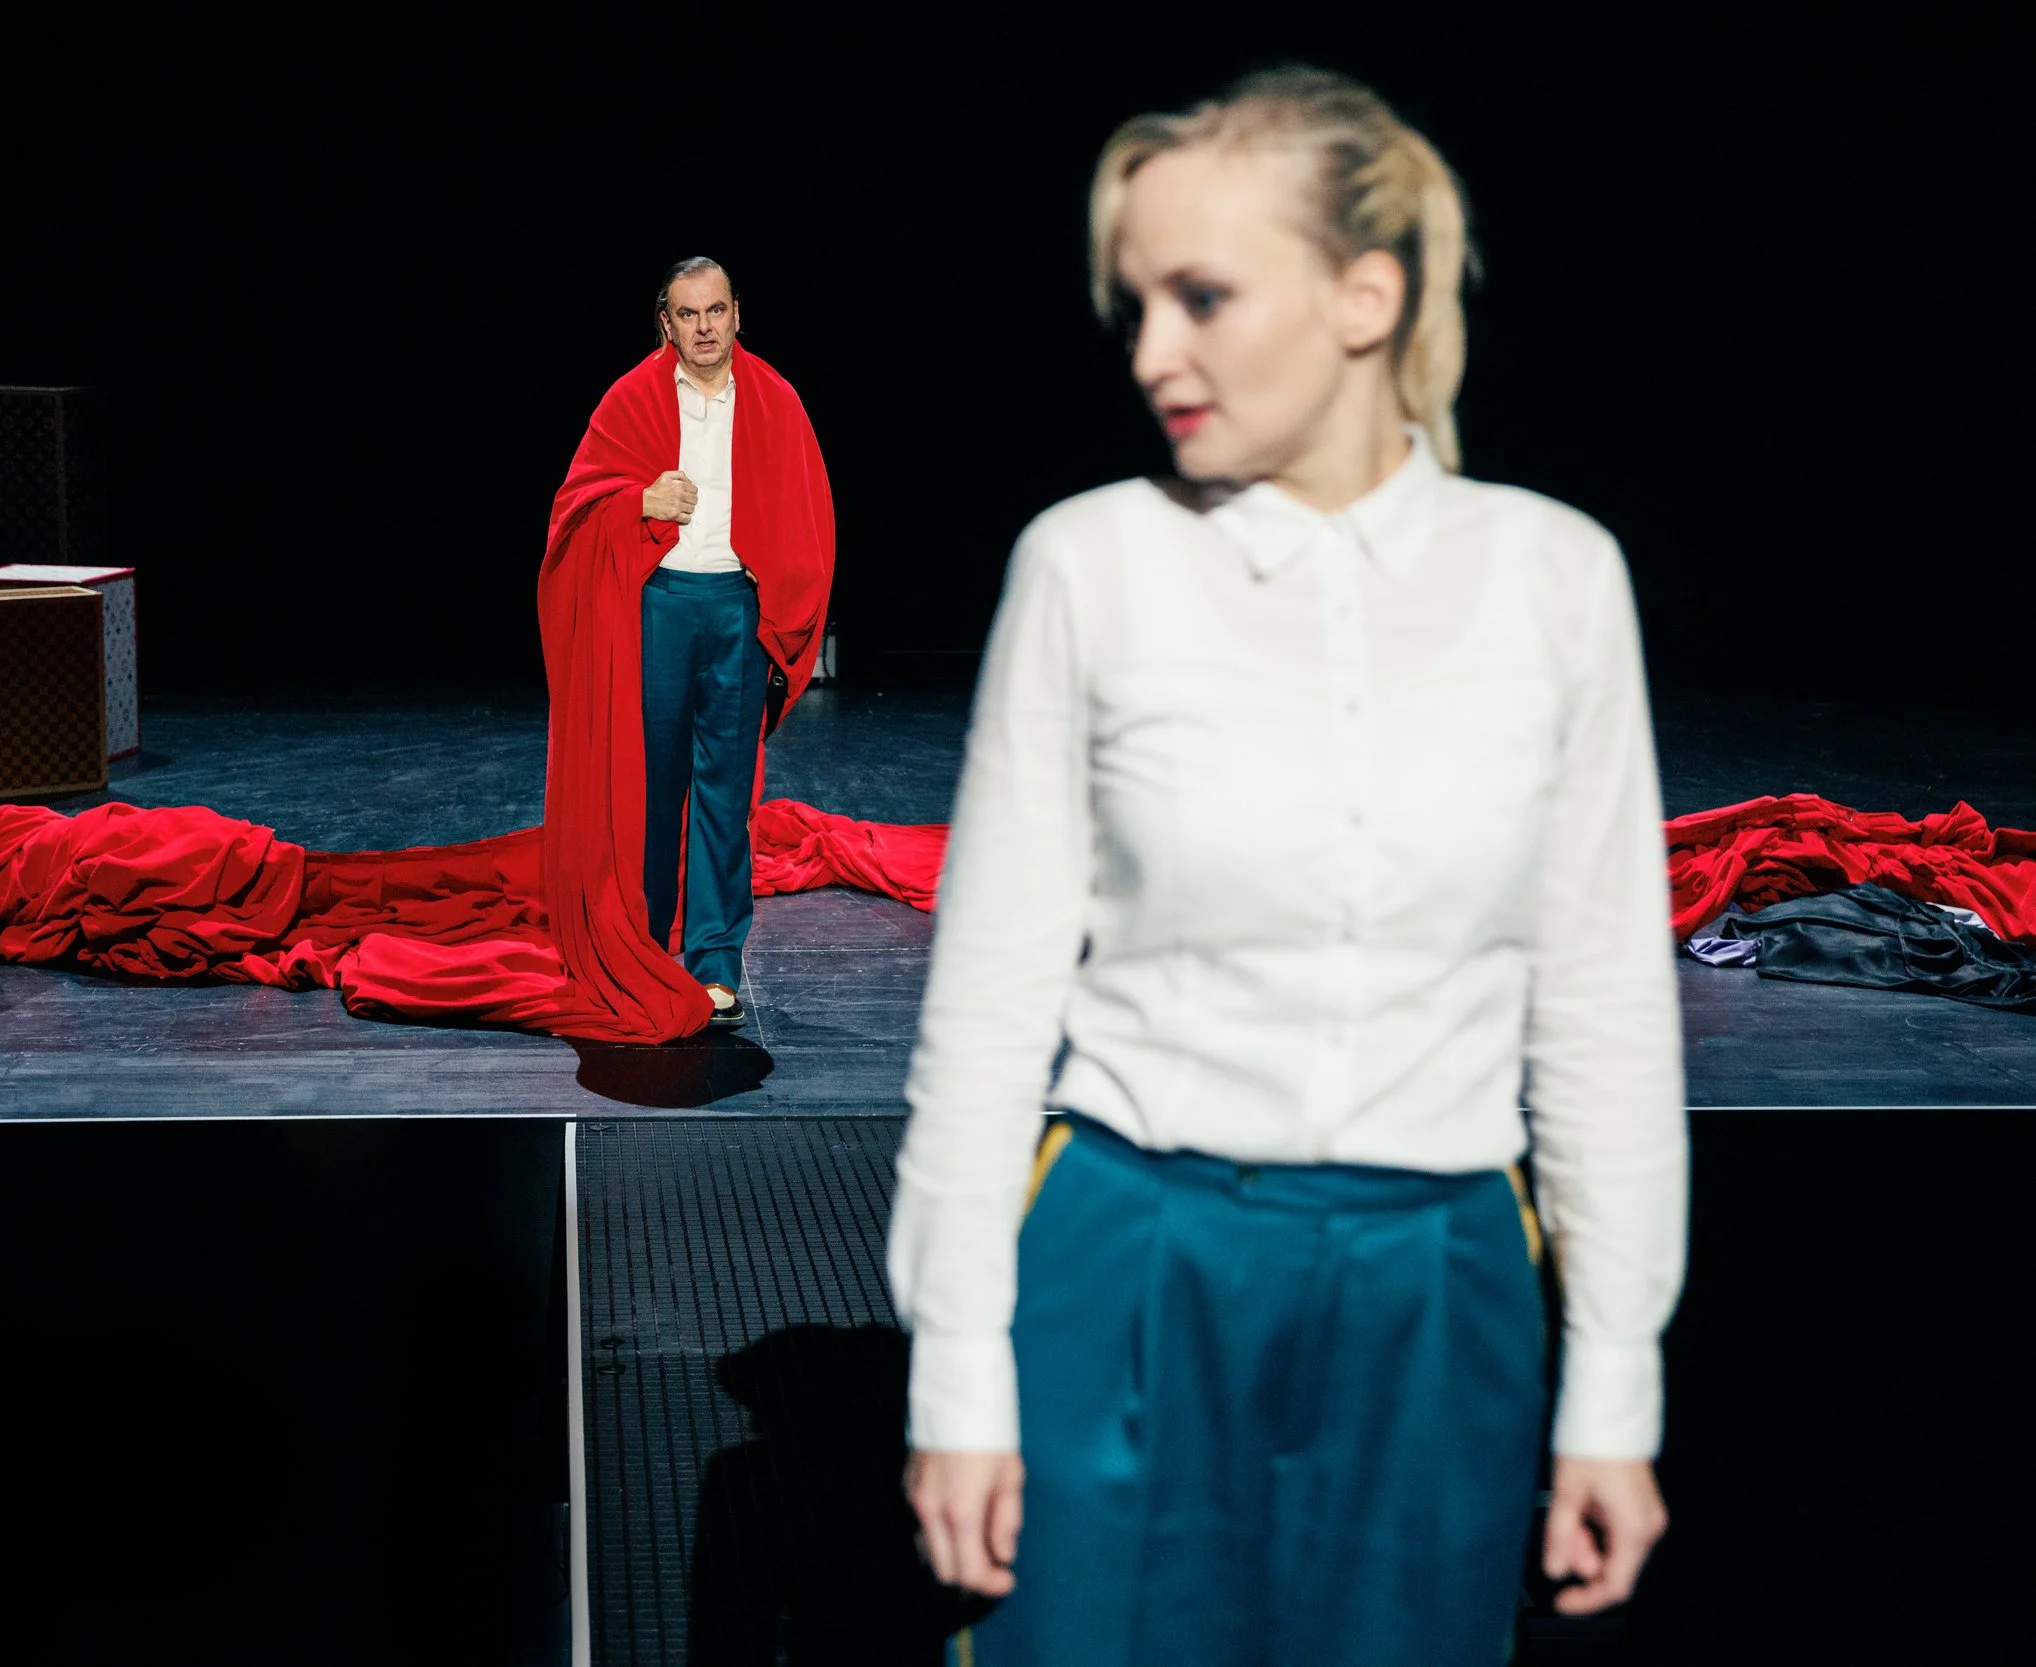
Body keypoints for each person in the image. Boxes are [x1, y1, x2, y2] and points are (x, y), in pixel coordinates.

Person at [890, 67, 1685, 1664]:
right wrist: (956, 1369)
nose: (1150, 353)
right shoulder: (1089, 563)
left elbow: (1602, 1008)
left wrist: (1616, 1383)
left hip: (1438, 1286)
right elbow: (983, 1012)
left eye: (1200, 297)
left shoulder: (1554, 577)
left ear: (1364, 297)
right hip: (1130, 1261)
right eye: (1135, 306)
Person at [538, 260, 835, 1035]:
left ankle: (713, 963)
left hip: (736, 609)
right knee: (651, 785)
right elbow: (575, 507)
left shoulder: (775, 400)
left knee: (726, 794)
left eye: (716, 311)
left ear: (737, 314)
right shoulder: (631, 399)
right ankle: (643, 947)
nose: (705, 327)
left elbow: (810, 513)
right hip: (660, 608)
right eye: (688, 314)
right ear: (665, 322)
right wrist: (639, 500)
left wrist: (781, 604)